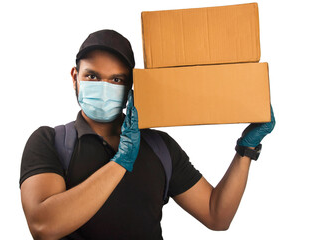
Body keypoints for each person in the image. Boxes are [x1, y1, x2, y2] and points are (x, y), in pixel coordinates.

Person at [20, 29, 275, 240]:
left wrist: (246, 149)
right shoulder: (50, 142)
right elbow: (44, 226)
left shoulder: (159, 146)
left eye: (116, 80)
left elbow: (216, 216)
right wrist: (121, 161)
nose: (104, 88)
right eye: (93, 76)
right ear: (75, 77)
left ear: (132, 87)